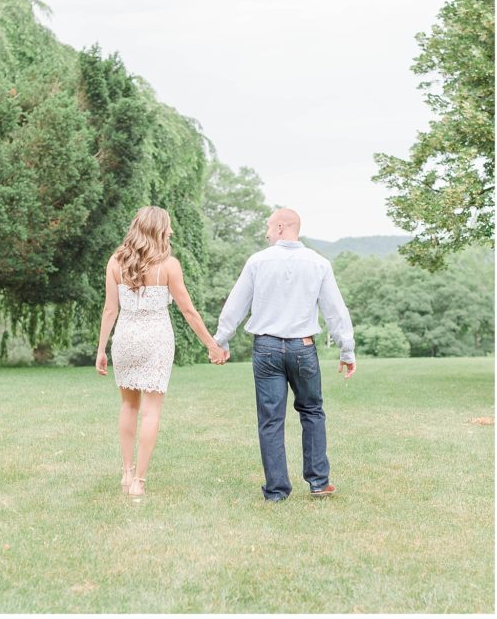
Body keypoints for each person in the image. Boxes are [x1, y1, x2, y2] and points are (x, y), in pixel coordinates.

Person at [214, 207, 356, 502]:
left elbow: (236, 304)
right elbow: (335, 310)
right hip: (302, 348)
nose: (266, 231)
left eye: (268, 225)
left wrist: (221, 340)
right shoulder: (319, 263)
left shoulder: (258, 261)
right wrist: (347, 349)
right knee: (312, 412)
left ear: (281, 227)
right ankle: (318, 482)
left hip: (266, 349)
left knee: (270, 419)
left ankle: (277, 491)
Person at [95, 206, 225, 498]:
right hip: (156, 340)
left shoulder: (116, 262)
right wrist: (211, 345)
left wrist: (101, 348)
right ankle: (139, 482)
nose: (172, 232)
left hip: (126, 338)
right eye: (168, 227)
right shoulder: (169, 265)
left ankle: (126, 474)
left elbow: (110, 309)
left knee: (128, 406)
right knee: (151, 411)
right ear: (158, 229)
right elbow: (188, 311)